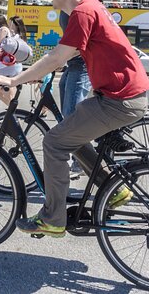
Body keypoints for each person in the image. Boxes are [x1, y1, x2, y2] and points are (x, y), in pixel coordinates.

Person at [0, 0, 149, 238]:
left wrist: (16, 79)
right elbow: (72, 53)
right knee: (71, 130)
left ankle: (52, 218)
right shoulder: (91, 8)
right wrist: (41, 72)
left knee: (54, 141)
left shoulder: (82, 13)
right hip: (121, 95)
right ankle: (112, 188)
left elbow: (58, 56)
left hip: (119, 99)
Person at [58, 10, 92, 179]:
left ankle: (83, 162)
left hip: (81, 65)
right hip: (74, 64)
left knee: (72, 116)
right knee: (67, 114)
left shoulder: (73, 11)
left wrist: (54, 61)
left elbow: (79, 45)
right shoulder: (65, 11)